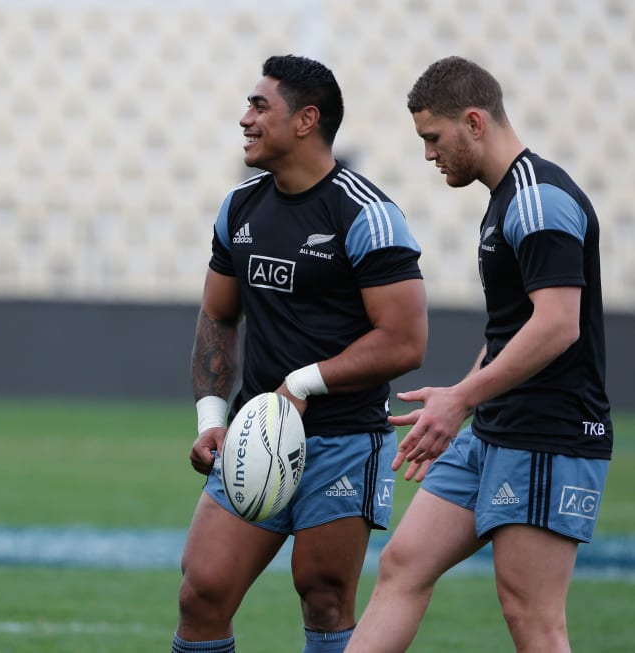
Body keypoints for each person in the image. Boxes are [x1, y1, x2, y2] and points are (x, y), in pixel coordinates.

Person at [345, 56, 613, 653]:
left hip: (549, 434)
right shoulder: (503, 200)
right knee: (403, 564)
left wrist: (461, 398)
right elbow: (508, 331)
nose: (428, 155)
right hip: (494, 428)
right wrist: (459, 405)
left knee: (530, 615)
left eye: (433, 139)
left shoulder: (539, 198)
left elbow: (557, 325)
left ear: (474, 122)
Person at [173, 55, 427, 653]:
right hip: (254, 434)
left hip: (343, 440)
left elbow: (404, 340)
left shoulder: (368, 214)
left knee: (323, 593)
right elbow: (217, 316)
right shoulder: (240, 207)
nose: (245, 119)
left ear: (306, 120)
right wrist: (212, 419)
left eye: (260, 107)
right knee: (202, 590)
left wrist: (304, 383)